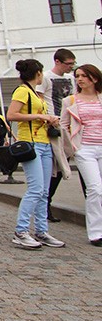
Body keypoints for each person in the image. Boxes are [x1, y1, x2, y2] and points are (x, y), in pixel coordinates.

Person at [7, 59, 67, 250]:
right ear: (38, 73)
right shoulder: (23, 91)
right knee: (36, 189)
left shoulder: (34, 93)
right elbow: (12, 115)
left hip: (44, 142)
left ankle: (41, 231)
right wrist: (41, 116)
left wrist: (49, 120)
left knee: (43, 191)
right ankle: (21, 231)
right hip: (31, 143)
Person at [60, 64, 102, 246]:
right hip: (85, 149)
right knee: (94, 188)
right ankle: (96, 233)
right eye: (77, 76)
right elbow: (63, 125)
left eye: (84, 76)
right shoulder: (70, 101)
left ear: (95, 78)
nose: (80, 79)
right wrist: (73, 147)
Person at [39, 48, 77, 221]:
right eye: (68, 63)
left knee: (63, 165)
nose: (71, 67)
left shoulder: (71, 79)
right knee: (56, 167)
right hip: (53, 127)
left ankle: (46, 201)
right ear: (57, 62)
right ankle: (45, 202)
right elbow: (40, 98)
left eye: (72, 63)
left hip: (68, 126)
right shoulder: (46, 77)